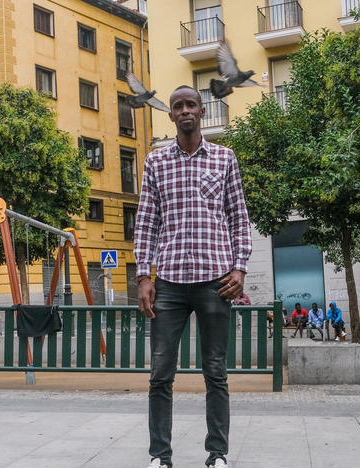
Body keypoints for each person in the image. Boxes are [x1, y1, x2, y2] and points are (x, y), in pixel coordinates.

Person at [134, 84, 252, 468]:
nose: (184, 110)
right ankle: (160, 456)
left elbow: (239, 218)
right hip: (168, 281)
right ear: (170, 115)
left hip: (216, 281)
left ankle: (216, 453)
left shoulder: (224, 158)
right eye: (177, 105)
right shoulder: (155, 162)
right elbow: (147, 222)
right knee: (160, 373)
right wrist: (143, 277)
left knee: (215, 372)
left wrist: (240, 267)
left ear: (202, 112)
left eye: (191, 105)